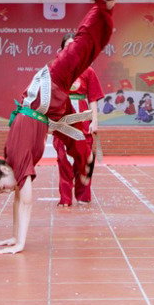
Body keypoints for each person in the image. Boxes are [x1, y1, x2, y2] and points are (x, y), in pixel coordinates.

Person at [0, 0, 118, 254]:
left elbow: (25, 202)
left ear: (2, 172)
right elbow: (18, 200)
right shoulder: (13, 162)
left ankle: (101, 2)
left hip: (52, 86)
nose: (5, 192)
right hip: (53, 102)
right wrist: (14, 237)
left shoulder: (18, 159)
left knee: (82, 45)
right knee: (89, 50)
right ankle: (106, 7)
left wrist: (20, 243)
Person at [53, 36, 103, 208]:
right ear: (60, 50)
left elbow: (93, 98)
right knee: (63, 159)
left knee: (84, 160)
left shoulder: (88, 71)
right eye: (68, 46)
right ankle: (65, 198)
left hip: (82, 120)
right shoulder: (55, 71)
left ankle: (83, 196)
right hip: (62, 121)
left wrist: (94, 121)